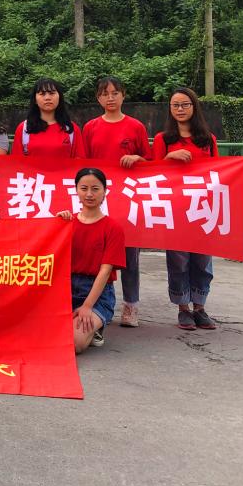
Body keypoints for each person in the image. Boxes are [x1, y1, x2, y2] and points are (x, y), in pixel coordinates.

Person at [82, 76, 151, 328]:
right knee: (95, 255)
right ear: (98, 98)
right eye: (104, 94)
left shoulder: (136, 126)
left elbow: (150, 162)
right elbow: (83, 164)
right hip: (97, 200)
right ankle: (96, 302)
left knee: (129, 254)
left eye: (115, 93)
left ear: (123, 95)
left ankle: (131, 304)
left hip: (128, 200)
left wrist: (137, 158)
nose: (110, 98)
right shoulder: (90, 127)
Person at [154, 87, 219, 331]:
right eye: (175, 105)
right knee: (178, 261)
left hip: (203, 209)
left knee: (203, 261)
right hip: (176, 210)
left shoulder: (208, 139)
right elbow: (153, 173)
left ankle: (200, 307)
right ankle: (183, 308)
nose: (180, 109)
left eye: (185, 104)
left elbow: (219, 172)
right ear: (170, 109)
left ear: (194, 107)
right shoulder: (163, 139)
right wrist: (169, 158)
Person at [56, 167, 127, 353]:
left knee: (75, 344)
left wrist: (87, 306)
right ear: (76, 191)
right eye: (84, 188)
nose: (89, 194)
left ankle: (96, 326)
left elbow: (105, 272)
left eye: (95, 189)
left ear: (104, 192)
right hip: (65, 289)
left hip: (98, 293)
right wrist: (55, 224)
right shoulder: (67, 223)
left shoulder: (113, 228)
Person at [14, 78, 84, 159]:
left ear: (59, 97)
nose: (47, 98)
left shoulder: (71, 129)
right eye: (42, 94)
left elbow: (79, 162)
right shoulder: (24, 129)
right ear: (35, 100)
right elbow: (17, 163)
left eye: (52, 93)